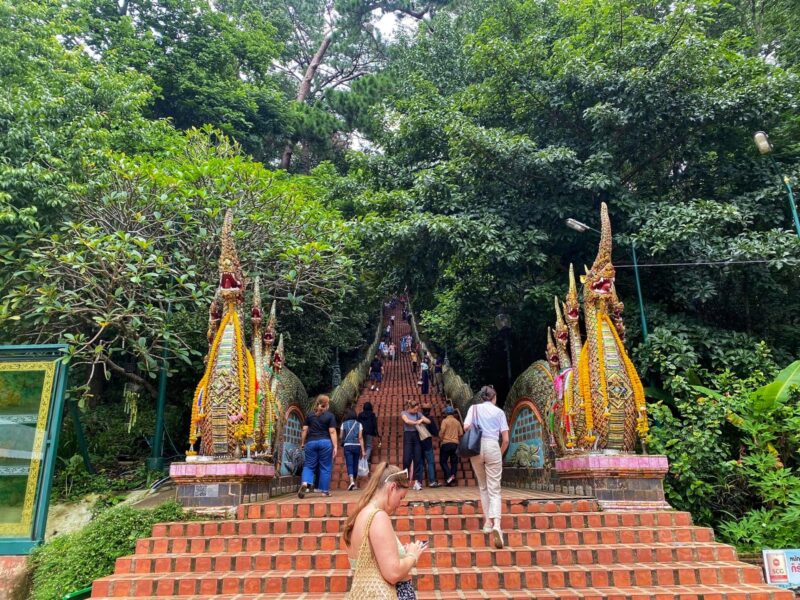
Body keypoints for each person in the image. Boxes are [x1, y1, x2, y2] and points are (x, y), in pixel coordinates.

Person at [343, 465, 427, 600]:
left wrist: (400, 554)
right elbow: (393, 573)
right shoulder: (378, 517)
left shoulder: (360, 515)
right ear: (392, 488)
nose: (400, 504)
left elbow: (375, 561)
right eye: (401, 497)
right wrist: (413, 555)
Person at [464, 385, 509, 548]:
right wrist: (500, 453)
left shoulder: (474, 409)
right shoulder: (499, 412)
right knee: (494, 488)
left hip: (476, 447)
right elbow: (505, 439)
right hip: (492, 446)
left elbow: (466, 427)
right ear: (494, 397)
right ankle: (497, 524)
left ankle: (487, 523)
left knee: (483, 487)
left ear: (482, 397)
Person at [298, 395, 338, 498]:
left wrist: (302, 443)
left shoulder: (309, 415)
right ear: (327, 404)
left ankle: (305, 483)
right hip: (325, 443)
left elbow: (304, 430)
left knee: (309, 466)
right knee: (325, 467)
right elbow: (332, 431)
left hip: (311, 443)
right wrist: (336, 446)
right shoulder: (330, 416)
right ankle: (324, 491)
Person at [400, 399, 429, 491]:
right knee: (406, 459)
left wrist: (421, 419)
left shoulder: (418, 414)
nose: (416, 411)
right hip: (408, 436)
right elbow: (407, 421)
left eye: (417, 409)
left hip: (417, 436)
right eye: (415, 409)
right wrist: (417, 422)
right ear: (410, 408)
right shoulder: (404, 413)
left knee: (418, 459)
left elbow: (428, 421)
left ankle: (418, 482)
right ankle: (405, 481)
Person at [341, 408, 365, 491]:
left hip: (347, 445)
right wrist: (363, 450)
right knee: (355, 463)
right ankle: (354, 483)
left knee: (349, 464)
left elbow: (341, 436)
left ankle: (351, 481)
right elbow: (360, 437)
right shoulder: (359, 424)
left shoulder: (343, 424)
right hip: (357, 446)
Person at [439, 406, 463, 486]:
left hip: (446, 444)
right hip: (455, 444)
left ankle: (449, 476)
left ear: (446, 413)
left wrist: (441, 438)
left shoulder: (445, 421)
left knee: (443, 461)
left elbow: (442, 431)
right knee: (454, 462)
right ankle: (452, 479)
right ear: (453, 413)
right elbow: (461, 433)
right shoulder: (457, 422)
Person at [419, 403, 440, 487]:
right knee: (430, 462)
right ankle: (432, 481)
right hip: (427, 443)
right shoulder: (430, 419)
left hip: (419, 444)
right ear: (430, 410)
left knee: (420, 463)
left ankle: (419, 482)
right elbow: (435, 432)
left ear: (422, 410)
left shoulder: (418, 418)